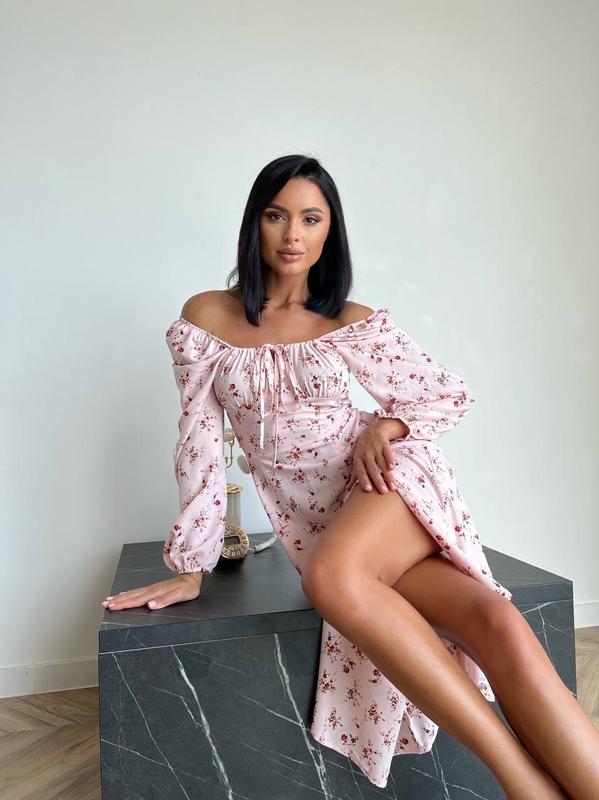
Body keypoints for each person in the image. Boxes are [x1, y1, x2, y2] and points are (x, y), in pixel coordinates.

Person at [101, 154, 599, 798]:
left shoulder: (348, 322)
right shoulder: (206, 320)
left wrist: (384, 427)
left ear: (329, 231)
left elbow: (445, 394)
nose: (293, 235)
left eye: (311, 219)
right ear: (254, 223)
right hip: (319, 524)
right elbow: (197, 440)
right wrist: (192, 563)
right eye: (277, 216)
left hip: (385, 487)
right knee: (495, 622)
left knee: (335, 579)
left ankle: (525, 787)